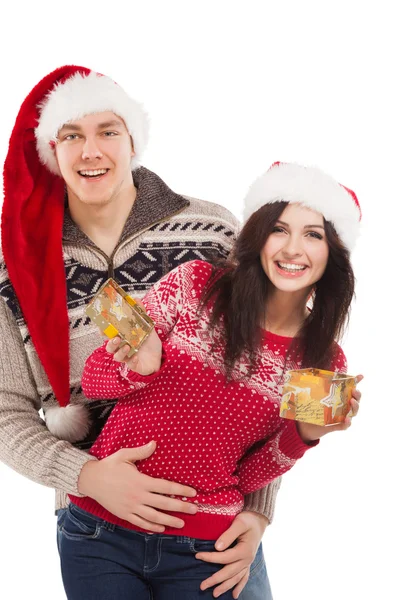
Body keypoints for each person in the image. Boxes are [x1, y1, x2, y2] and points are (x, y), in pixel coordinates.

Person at [0, 65, 277, 599]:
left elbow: (263, 379)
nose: (90, 151)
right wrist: (86, 475)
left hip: (214, 522)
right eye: (71, 136)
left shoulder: (212, 234)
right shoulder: (14, 264)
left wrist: (259, 513)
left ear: (133, 140)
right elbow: (5, 410)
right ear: (51, 151)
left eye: (108, 131)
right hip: (93, 529)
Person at [58, 161, 363, 599]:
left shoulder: (324, 361)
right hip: (98, 534)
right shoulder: (193, 282)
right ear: (258, 236)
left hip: (204, 548)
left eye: (313, 234)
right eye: (280, 229)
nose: (293, 248)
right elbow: (94, 382)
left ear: (332, 253)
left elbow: (250, 475)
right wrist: (138, 367)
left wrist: (304, 434)